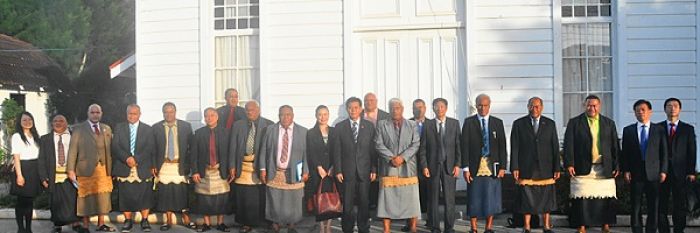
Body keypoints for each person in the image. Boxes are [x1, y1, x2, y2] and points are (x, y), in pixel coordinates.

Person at [563, 95, 619, 233]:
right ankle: (581, 226)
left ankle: (605, 225)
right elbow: (568, 145)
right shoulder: (574, 122)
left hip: (604, 166)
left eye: (594, 105)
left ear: (599, 106)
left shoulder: (609, 123)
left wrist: (617, 165)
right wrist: (569, 164)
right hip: (582, 166)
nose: (592, 108)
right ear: (584, 105)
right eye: (589, 105)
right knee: (581, 198)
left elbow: (615, 146)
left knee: (605, 197)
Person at [510, 97, 560, 233]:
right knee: (527, 197)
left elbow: (555, 147)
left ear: (542, 108)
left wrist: (557, 167)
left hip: (546, 166)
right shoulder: (519, 124)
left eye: (537, 106)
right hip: (526, 166)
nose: (534, 109)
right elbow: (515, 147)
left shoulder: (549, 124)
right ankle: (527, 226)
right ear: (528, 107)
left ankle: (546, 226)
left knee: (546, 198)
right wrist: (514, 167)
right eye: (532, 106)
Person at [259, 105, 310, 233]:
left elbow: (307, 153)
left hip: (296, 168)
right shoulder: (270, 130)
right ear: (278, 116)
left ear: (293, 116)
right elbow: (263, 150)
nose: (285, 117)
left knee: (294, 197)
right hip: (275, 169)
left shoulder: (303, 131)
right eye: (282, 114)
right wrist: (262, 169)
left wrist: (306, 171)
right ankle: (275, 223)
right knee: (274, 197)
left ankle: (291, 224)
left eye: (288, 114)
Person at [461, 94, 507, 233]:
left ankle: (488, 227)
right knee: (474, 196)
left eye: (485, 105)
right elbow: (465, 146)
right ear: (476, 106)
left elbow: (502, 146)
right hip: (475, 165)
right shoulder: (469, 122)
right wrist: (466, 168)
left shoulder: (497, 122)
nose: (482, 108)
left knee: (490, 196)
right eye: (479, 105)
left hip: (492, 165)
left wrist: (503, 167)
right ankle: (473, 227)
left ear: (489, 105)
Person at [375, 98, 422, 233]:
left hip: (407, 167)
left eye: (397, 108)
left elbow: (416, 143)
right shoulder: (381, 124)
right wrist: (391, 158)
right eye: (392, 108)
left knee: (411, 199)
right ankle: (386, 229)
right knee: (386, 199)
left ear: (402, 109)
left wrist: (403, 157)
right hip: (389, 167)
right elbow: (378, 143)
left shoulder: (412, 124)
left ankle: (413, 227)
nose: (395, 110)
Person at [67, 104, 116, 232]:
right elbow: (72, 150)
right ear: (88, 113)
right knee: (85, 198)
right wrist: (70, 170)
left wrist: (113, 168)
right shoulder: (79, 129)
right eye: (92, 112)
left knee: (103, 197)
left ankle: (101, 224)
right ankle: (86, 226)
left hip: (103, 168)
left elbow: (111, 150)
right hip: (85, 168)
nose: (95, 114)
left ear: (101, 113)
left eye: (97, 112)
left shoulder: (106, 129)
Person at [621, 99, 668, 233]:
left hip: (654, 173)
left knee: (653, 204)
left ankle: (651, 229)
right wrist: (626, 170)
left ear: (650, 112)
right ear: (634, 113)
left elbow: (664, 152)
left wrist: (663, 171)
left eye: (643, 110)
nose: (640, 112)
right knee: (636, 205)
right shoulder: (628, 130)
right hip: (636, 173)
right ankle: (636, 229)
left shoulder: (659, 130)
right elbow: (625, 153)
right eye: (638, 110)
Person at [333, 97, 377, 233]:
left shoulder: (369, 126)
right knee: (347, 204)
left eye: (356, 107)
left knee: (364, 203)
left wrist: (374, 169)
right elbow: (337, 151)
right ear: (347, 109)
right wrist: (338, 170)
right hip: (347, 172)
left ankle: (364, 228)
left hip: (364, 171)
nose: (353, 110)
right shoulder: (340, 127)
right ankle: (347, 228)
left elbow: (373, 150)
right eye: (350, 108)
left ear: (361, 109)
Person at [229, 100, 274, 232]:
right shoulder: (237, 125)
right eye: (247, 110)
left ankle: (263, 221)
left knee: (260, 195)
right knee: (243, 196)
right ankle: (245, 223)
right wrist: (232, 165)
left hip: (260, 166)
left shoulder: (268, 125)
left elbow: (271, 148)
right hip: (242, 166)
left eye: (252, 110)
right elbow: (233, 146)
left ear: (258, 110)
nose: (250, 112)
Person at [418, 98, 461, 233]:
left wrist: (458, 165)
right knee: (433, 198)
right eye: (436, 107)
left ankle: (449, 227)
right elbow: (423, 148)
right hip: (432, 167)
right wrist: (424, 166)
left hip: (449, 166)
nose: (439, 109)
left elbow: (458, 146)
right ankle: (435, 227)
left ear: (446, 108)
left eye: (442, 106)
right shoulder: (428, 125)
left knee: (450, 199)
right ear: (433, 109)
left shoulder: (454, 124)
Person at [112, 104, 156, 232]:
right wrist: (127, 158)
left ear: (139, 114)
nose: (131, 116)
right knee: (125, 195)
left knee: (145, 194)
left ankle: (145, 220)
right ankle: (128, 221)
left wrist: (136, 159)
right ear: (126, 114)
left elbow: (150, 147)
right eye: (129, 113)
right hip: (124, 166)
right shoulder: (119, 127)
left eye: (134, 113)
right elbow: (115, 146)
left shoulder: (147, 129)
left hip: (142, 166)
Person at [152, 102, 196, 231]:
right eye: (166, 111)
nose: (168, 114)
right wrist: (154, 165)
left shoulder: (186, 126)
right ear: (163, 113)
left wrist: (191, 166)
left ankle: (186, 219)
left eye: (171, 111)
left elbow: (192, 148)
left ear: (175, 112)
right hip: (164, 165)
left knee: (182, 192)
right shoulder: (156, 127)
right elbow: (153, 149)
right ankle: (168, 221)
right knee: (165, 193)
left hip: (179, 164)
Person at [658, 98, 697, 233]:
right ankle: (664, 230)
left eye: (675, 106)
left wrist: (691, 171)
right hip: (661, 172)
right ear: (664, 109)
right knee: (661, 203)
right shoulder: (658, 128)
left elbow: (692, 151)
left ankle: (679, 230)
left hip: (680, 172)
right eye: (669, 106)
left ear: (680, 109)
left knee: (679, 204)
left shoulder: (688, 129)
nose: (672, 108)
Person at [38, 114, 82, 233]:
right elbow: (41, 159)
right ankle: (57, 225)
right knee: (55, 201)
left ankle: (76, 223)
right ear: (52, 124)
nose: (58, 123)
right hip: (54, 175)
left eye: (61, 121)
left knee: (73, 200)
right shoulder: (45, 139)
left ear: (66, 123)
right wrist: (43, 178)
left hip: (71, 175)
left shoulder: (75, 136)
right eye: (55, 121)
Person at [191, 108, 232, 232]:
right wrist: (195, 171)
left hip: (220, 170)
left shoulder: (226, 133)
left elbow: (230, 152)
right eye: (207, 116)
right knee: (204, 199)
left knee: (221, 198)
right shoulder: (198, 133)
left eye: (212, 115)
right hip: (205, 171)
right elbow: (194, 154)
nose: (209, 118)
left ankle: (220, 223)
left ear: (217, 117)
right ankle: (206, 224)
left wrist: (231, 169)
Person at [306, 105, 341, 233]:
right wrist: (318, 167)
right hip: (318, 172)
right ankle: (321, 228)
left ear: (328, 115)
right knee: (320, 199)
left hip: (331, 171)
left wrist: (333, 167)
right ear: (316, 116)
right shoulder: (310, 133)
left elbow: (337, 151)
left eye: (325, 114)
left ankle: (329, 227)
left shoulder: (334, 131)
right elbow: (311, 152)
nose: (323, 117)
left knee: (331, 198)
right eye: (320, 114)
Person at [10, 111, 42, 233]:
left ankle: (28, 228)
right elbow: (16, 157)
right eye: (24, 120)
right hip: (23, 168)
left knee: (30, 201)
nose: (27, 122)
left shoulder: (35, 136)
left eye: (30, 120)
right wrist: (19, 175)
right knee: (21, 201)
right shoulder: (17, 136)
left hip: (34, 169)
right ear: (20, 122)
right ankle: (21, 228)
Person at [408, 99, 430, 232]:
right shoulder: (407, 123)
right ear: (412, 109)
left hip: (427, 164)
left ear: (425, 108)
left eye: (421, 107)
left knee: (427, 193)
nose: (419, 110)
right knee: (410, 194)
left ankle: (429, 220)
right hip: (411, 163)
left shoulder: (431, 124)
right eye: (416, 108)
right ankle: (409, 223)